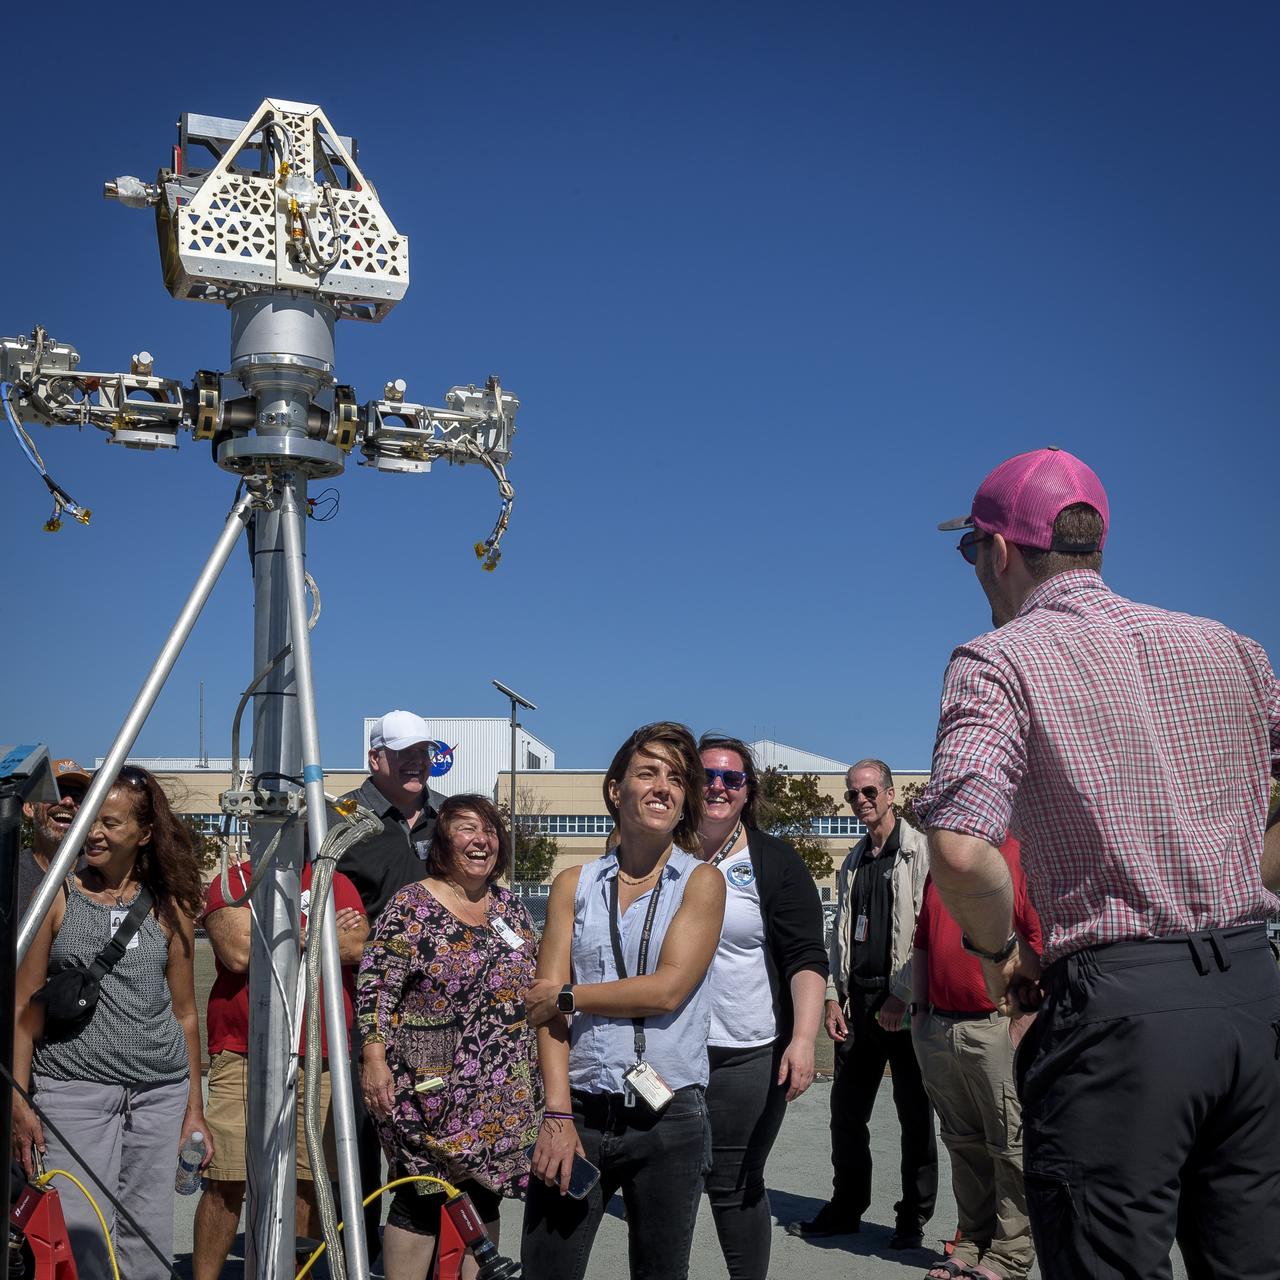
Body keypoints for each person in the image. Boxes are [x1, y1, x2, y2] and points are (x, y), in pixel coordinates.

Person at [918, 445, 1280, 1279]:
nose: (974, 566)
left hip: (1119, 1014)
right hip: (1249, 996)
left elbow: (963, 850)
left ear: (999, 549)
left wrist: (1000, 953)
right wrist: (1239, 879)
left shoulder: (999, 658)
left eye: (971, 548)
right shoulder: (1231, 647)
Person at [519, 722, 727, 1280]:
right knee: (547, 1268)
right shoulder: (573, 884)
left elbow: (668, 988)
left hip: (668, 1113)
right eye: (648, 772)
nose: (663, 786)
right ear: (616, 790)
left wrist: (570, 995)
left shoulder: (701, 882)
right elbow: (544, 1014)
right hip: (581, 1108)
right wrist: (557, 1114)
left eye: (677, 779)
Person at [11, 765, 210, 1279]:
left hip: (159, 1093)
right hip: (72, 1091)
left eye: (111, 823)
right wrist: (19, 1098)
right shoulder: (57, 896)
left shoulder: (172, 906)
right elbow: (24, 1006)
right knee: (83, 1235)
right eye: (91, 820)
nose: (94, 832)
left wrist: (194, 1112)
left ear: (143, 835)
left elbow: (185, 1012)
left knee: (147, 1235)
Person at [356, 794, 541, 1280]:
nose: (482, 841)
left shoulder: (511, 908)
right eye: (466, 829)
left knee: (483, 1192)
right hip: (428, 1089)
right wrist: (374, 1060)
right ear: (442, 841)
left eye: (490, 831)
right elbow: (375, 989)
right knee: (421, 1197)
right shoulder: (412, 906)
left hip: (500, 1091)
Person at [191, 858, 369, 1280]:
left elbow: (359, 944)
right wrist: (319, 933)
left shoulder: (335, 879)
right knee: (228, 1180)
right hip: (243, 1052)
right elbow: (236, 951)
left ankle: (295, 1272)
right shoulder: (235, 880)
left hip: (321, 1054)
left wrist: (272, 935)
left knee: (309, 1183)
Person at [694, 733, 827, 1280]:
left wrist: (802, 1040)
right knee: (663, 1183)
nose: (719, 787)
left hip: (746, 1051)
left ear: (748, 792)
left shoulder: (775, 861)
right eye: (707, 776)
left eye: (733, 778)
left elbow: (806, 959)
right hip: (662, 1051)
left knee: (735, 1183)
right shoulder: (655, 851)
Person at [789, 758, 936, 1250]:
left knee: (915, 1115)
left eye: (869, 791)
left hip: (907, 1003)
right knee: (847, 1113)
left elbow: (927, 932)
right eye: (853, 794)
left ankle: (912, 1217)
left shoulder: (921, 853)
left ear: (891, 794)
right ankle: (847, 1206)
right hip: (861, 1003)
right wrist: (833, 995)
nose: (861, 801)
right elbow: (840, 934)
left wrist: (903, 993)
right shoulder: (852, 862)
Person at [337, 707, 448, 1259]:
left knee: (425, 1142)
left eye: (421, 752)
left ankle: (421, 1258)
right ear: (374, 758)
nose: (414, 763)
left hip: (435, 1013)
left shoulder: (449, 819)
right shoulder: (340, 819)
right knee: (355, 1144)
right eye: (401, 753)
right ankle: (355, 1256)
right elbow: (319, 912)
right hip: (361, 1011)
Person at [911, 836, 1040, 1280]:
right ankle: (973, 1240)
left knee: (1009, 1146)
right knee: (962, 1142)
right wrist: (918, 1012)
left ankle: (1009, 1254)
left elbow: (1038, 939)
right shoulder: (944, 862)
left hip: (995, 1025)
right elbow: (923, 938)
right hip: (939, 1027)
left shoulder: (1018, 855)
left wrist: (1023, 1020)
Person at [17, 757, 91, 919]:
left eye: (78, 796)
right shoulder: (9, 873)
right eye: (56, 791)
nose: (68, 801)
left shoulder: (102, 874)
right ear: (29, 807)